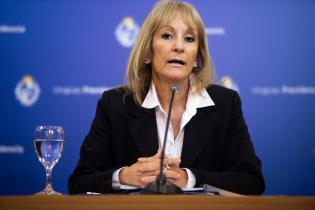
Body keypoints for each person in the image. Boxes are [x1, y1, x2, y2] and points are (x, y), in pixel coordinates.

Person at [68, 0, 265, 195]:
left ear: (196, 58)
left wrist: (189, 178)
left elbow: (251, 181)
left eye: (189, 39)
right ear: (147, 52)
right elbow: (79, 182)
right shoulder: (115, 105)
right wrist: (123, 176)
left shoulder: (225, 104)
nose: (179, 46)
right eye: (167, 35)